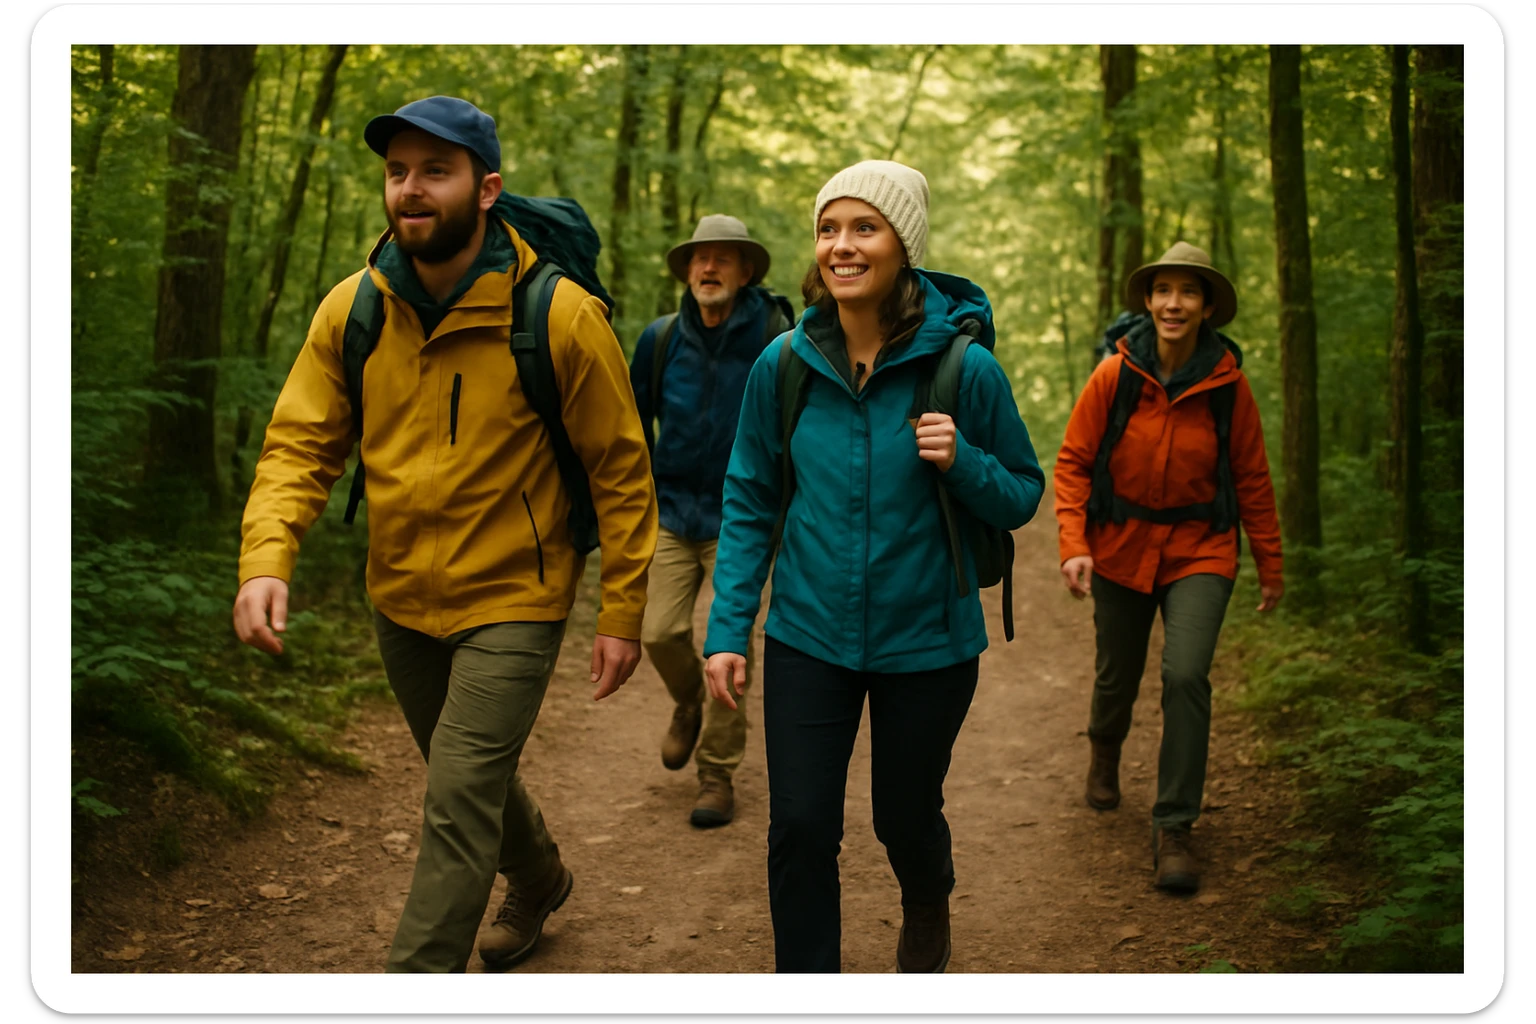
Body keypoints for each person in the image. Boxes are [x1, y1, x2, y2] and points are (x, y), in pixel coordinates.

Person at [232, 96, 658, 972]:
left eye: (436, 170)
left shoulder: (561, 315)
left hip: (516, 596)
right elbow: (299, 444)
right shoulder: (353, 310)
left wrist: (622, 612)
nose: (411, 190)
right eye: (397, 172)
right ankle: (539, 879)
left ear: (487, 187)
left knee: (456, 798)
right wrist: (266, 556)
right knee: (472, 780)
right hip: (398, 597)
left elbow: (620, 472)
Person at [701, 160, 1045, 973]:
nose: (841, 245)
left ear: (904, 246)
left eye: (864, 227)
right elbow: (750, 498)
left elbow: (1024, 491)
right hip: (808, 633)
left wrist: (963, 462)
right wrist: (727, 630)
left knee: (904, 815)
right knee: (801, 828)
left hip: (927, 640)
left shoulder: (966, 370)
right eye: (829, 228)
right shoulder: (782, 365)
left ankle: (927, 899)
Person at [1053, 241, 1284, 895]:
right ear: (1149, 302)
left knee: (1186, 674)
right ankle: (1105, 748)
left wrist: (1270, 562)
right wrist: (1074, 543)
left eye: (1188, 291)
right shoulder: (1115, 375)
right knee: (1116, 676)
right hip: (1121, 544)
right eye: (1163, 291)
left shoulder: (1228, 386)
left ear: (1207, 306)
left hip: (1200, 550)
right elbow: (1072, 463)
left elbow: (1252, 479)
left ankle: (1175, 826)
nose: (1173, 303)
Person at [628, 215, 794, 828]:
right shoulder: (661, 339)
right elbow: (630, 425)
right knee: (658, 632)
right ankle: (688, 703)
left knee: (730, 642)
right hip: (672, 511)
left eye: (723, 259)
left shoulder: (777, 339)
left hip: (742, 517)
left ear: (746, 272)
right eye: (700, 259)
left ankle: (717, 773)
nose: (709, 268)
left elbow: (796, 424)